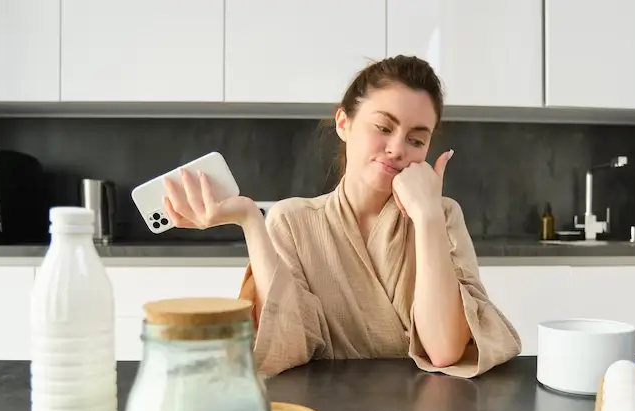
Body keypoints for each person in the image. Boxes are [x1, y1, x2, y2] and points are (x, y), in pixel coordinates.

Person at [162, 55, 522, 378]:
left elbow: (444, 351)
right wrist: (250, 221)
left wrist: (427, 217)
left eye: (416, 139)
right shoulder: (292, 221)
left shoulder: (442, 215)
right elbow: (288, 344)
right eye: (383, 127)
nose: (397, 148)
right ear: (343, 123)